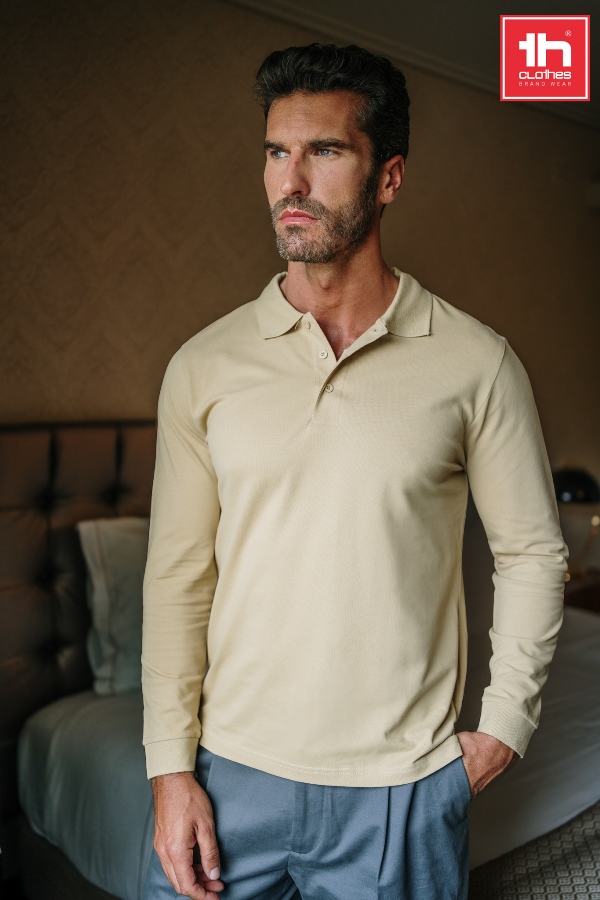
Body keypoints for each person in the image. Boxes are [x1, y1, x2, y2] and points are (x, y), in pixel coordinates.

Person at [141, 43, 568, 900]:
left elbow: (532, 554)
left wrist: (502, 730)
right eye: (276, 152)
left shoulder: (477, 364)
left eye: (325, 151)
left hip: (400, 789)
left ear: (389, 177)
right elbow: (179, 575)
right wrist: (169, 769)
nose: (290, 181)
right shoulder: (202, 366)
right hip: (227, 776)